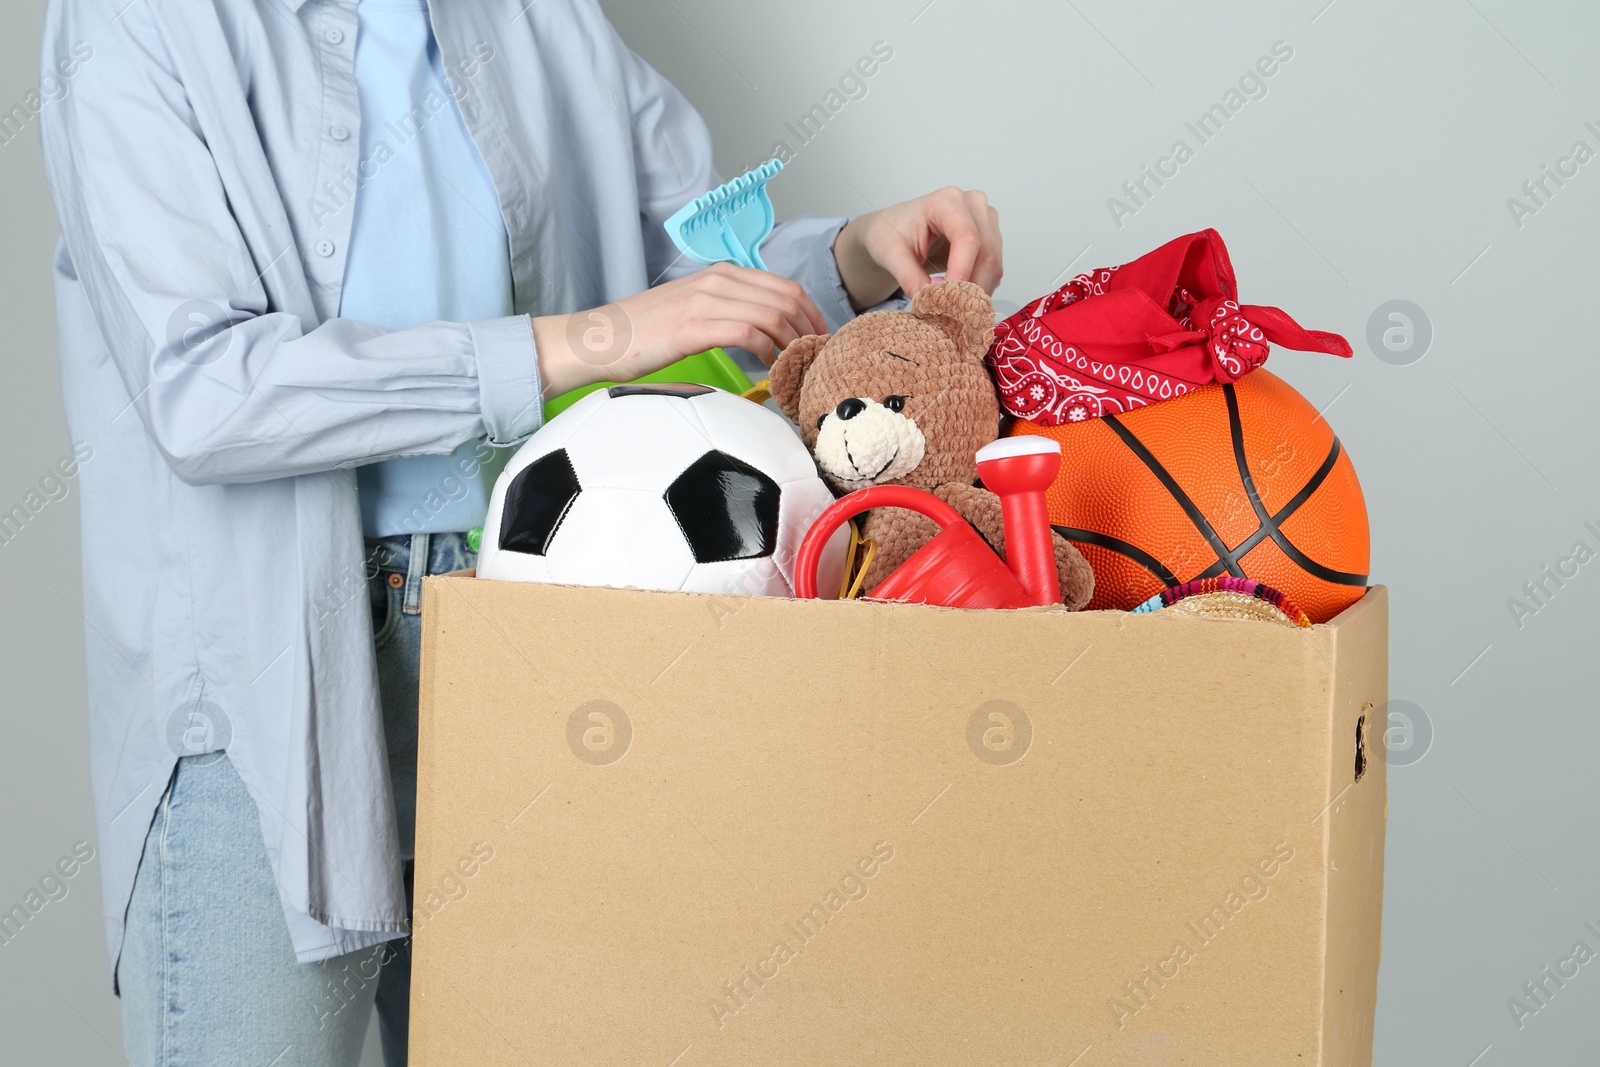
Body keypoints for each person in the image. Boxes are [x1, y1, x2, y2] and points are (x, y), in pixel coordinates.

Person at [40, 0, 1004, 1063]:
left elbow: (693, 268)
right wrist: (581, 340)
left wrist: (859, 254)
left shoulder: (538, 16)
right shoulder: (136, 22)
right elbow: (204, 391)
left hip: (534, 647)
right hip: (260, 680)